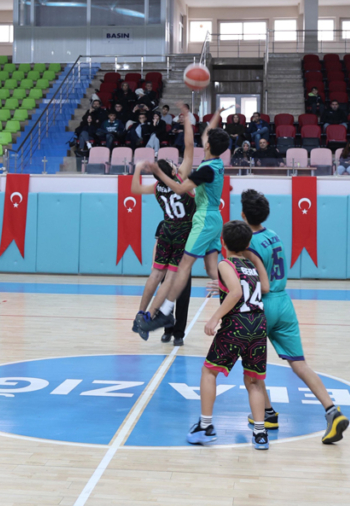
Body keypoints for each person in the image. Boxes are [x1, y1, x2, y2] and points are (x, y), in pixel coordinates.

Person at [239, 190, 350, 444]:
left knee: (252, 369)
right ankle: (332, 410)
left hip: (263, 305)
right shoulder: (273, 235)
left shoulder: (248, 244)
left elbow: (257, 282)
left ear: (243, 215)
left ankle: (265, 415)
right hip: (285, 303)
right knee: (299, 364)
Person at [138, 106, 231, 333]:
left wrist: (160, 175)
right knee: (212, 270)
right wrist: (216, 114)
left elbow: (180, 189)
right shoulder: (216, 162)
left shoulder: (205, 171)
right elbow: (207, 133)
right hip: (213, 219)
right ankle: (237, 296)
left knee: (182, 266)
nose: (204, 139)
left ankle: (165, 312)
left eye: (206, 139)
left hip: (203, 219)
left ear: (208, 146)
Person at [186, 220, 270, 451]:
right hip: (259, 325)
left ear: (223, 241)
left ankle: (205, 427)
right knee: (254, 381)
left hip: (238, 325)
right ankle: (261, 434)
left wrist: (215, 317)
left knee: (208, 371)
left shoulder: (225, 263)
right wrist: (222, 286)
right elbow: (262, 288)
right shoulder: (249, 265)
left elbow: (235, 292)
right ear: (248, 243)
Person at [130, 113, 197, 343]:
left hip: (166, 230)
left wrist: (138, 168)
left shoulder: (158, 187)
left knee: (155, 273)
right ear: (172, 170)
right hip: (183, 233)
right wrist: (187, 120)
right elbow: (189, 148)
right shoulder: (183, 182)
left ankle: (140, 314)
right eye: (173, 163)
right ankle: (152, 318)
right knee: (170, 279)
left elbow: (135, 190)